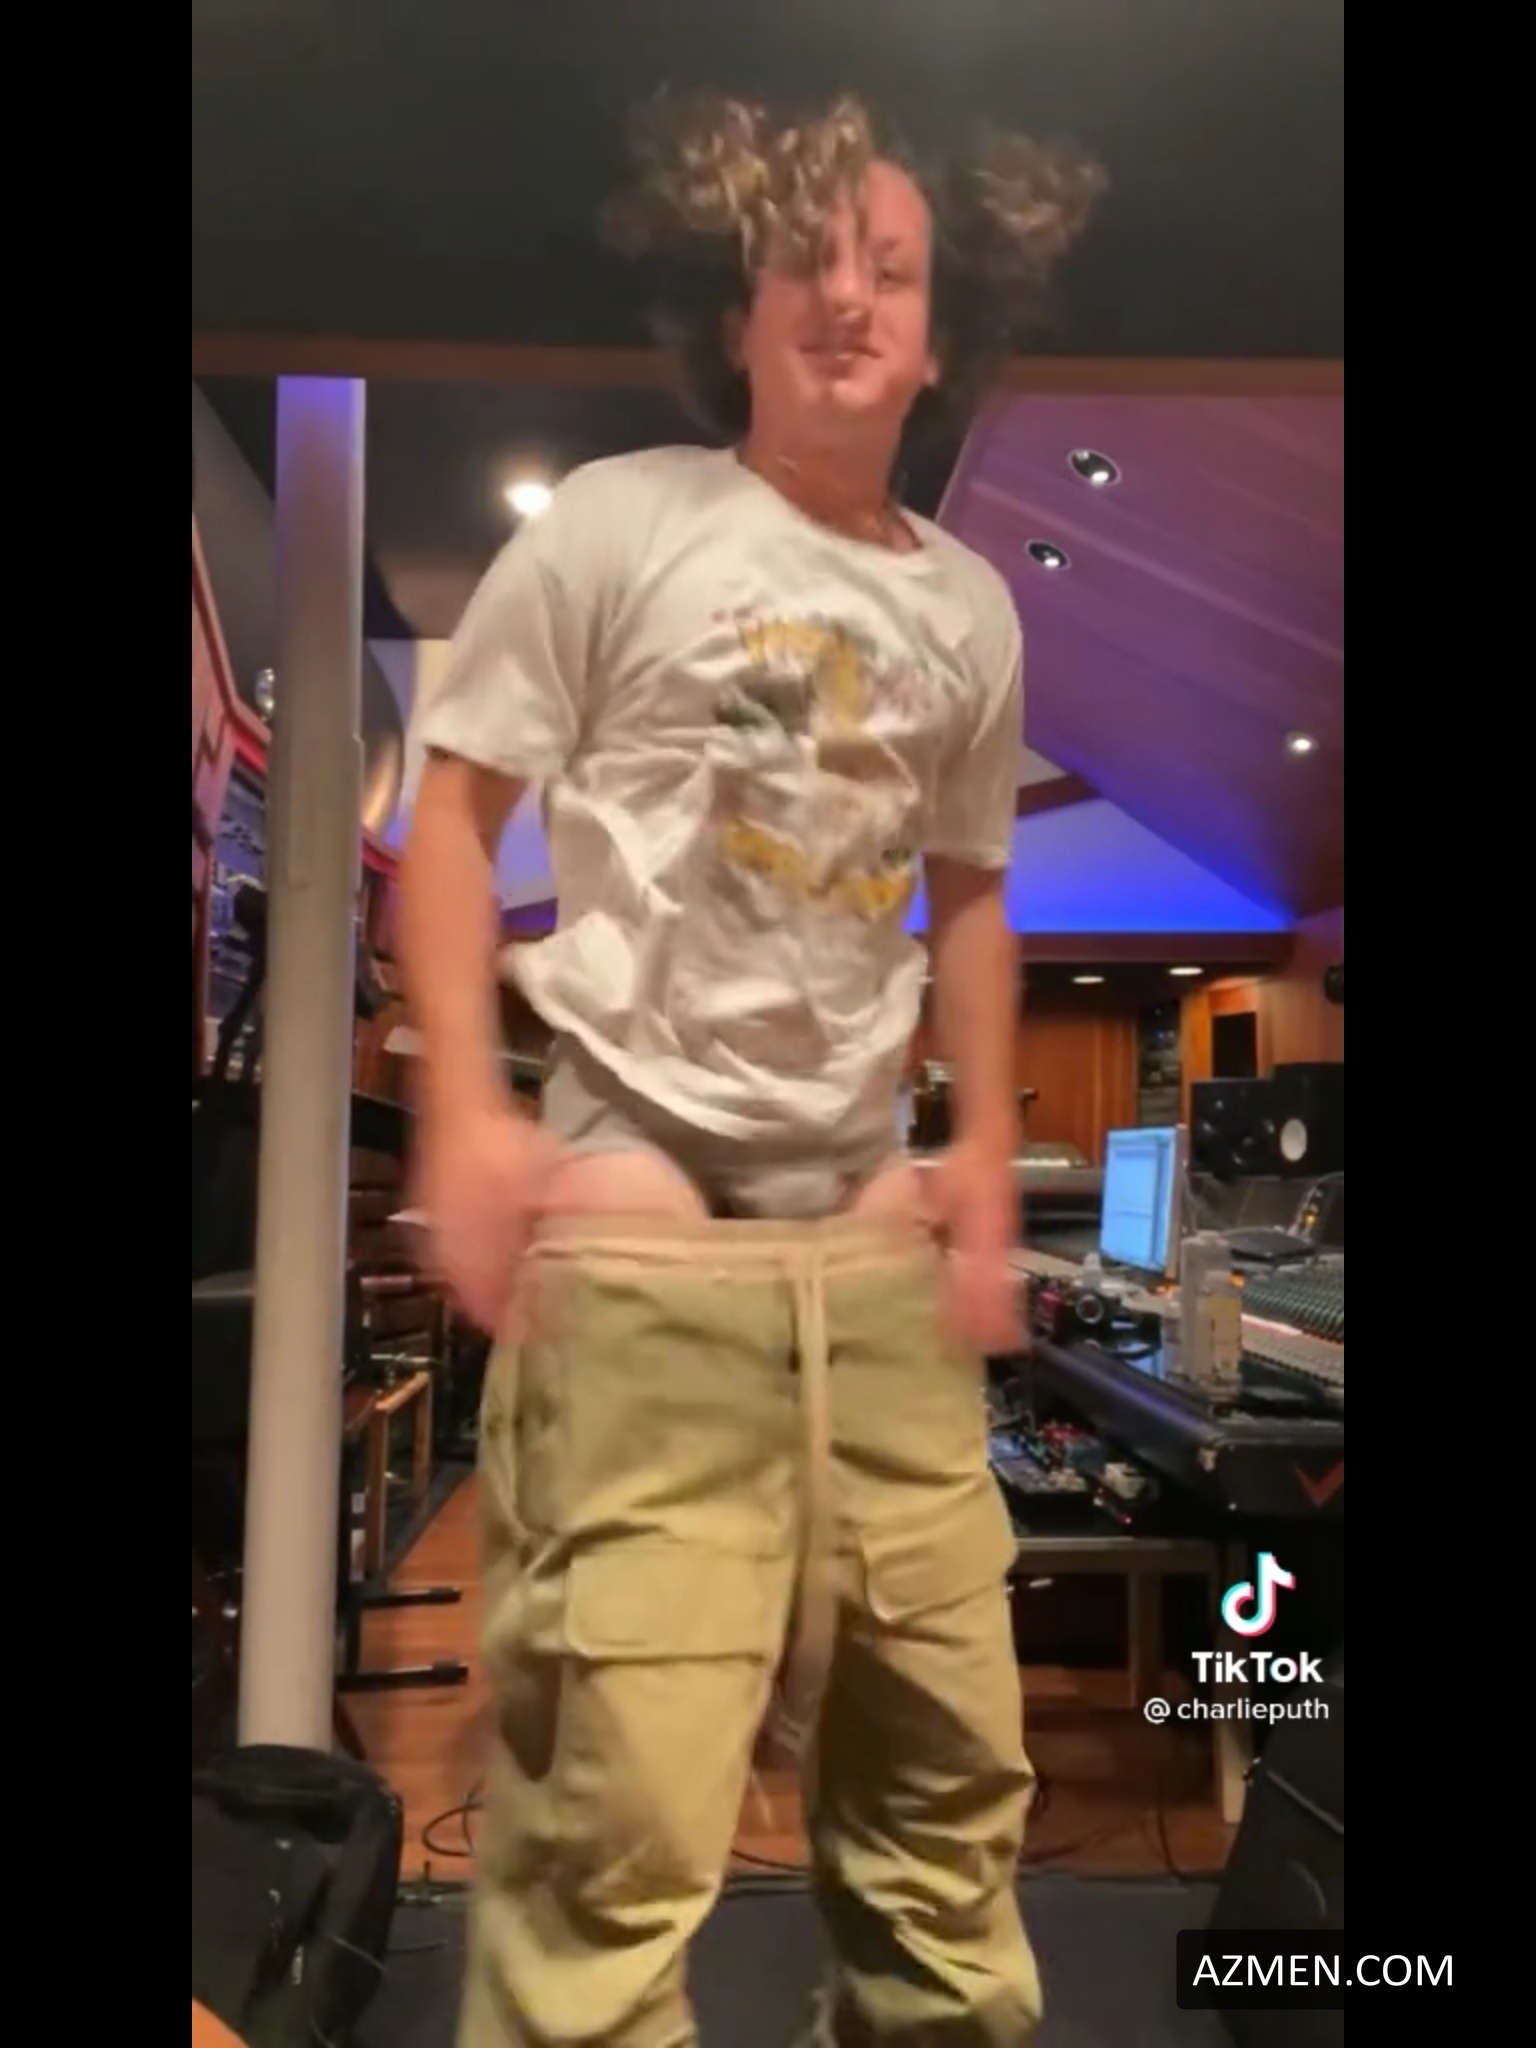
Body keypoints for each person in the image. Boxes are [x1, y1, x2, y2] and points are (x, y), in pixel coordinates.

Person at [399, 90, 1104, 2047]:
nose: (850, 295)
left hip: (873, 1252)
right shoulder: (622, 522)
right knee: (609, 1862)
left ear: (942, 333)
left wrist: (980, 1149)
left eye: (894, 267)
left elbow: (973, 896)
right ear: (740, 312)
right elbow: (448, 824)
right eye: (809, 258)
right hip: (640, 1207)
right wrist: (465, 1110)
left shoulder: (969, 607)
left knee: (950, 1831)